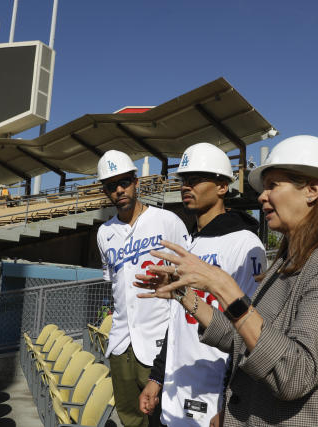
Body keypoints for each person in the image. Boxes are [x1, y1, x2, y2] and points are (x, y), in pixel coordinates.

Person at [138, 135, 318, 426]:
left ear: (312, 190)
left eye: (273, 185)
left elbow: (295, 374)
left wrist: (225, 289)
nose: (262, 195)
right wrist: (185, 296)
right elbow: (244, 339)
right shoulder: (286, 264)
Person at [138, 143, 266, 426]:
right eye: (184, 180)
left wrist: (232, 405)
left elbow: (252, 330)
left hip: (213, 393)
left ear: (222, 186)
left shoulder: (246, 243)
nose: (187, 186)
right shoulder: (188, 242)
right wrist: (157, 377)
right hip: (175, 384)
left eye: (196, 179)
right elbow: (176, 321)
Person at [96, 150, 188, 427]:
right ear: (106, 191)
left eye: (124, 182)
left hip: (157, 338)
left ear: (136, 182)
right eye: (111, 186)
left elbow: (190, 273)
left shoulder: (167, 221)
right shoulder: (104, 232)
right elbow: (114, 286)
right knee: (130, 418)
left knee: (161, 418)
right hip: (121, 341)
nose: (119, 190)